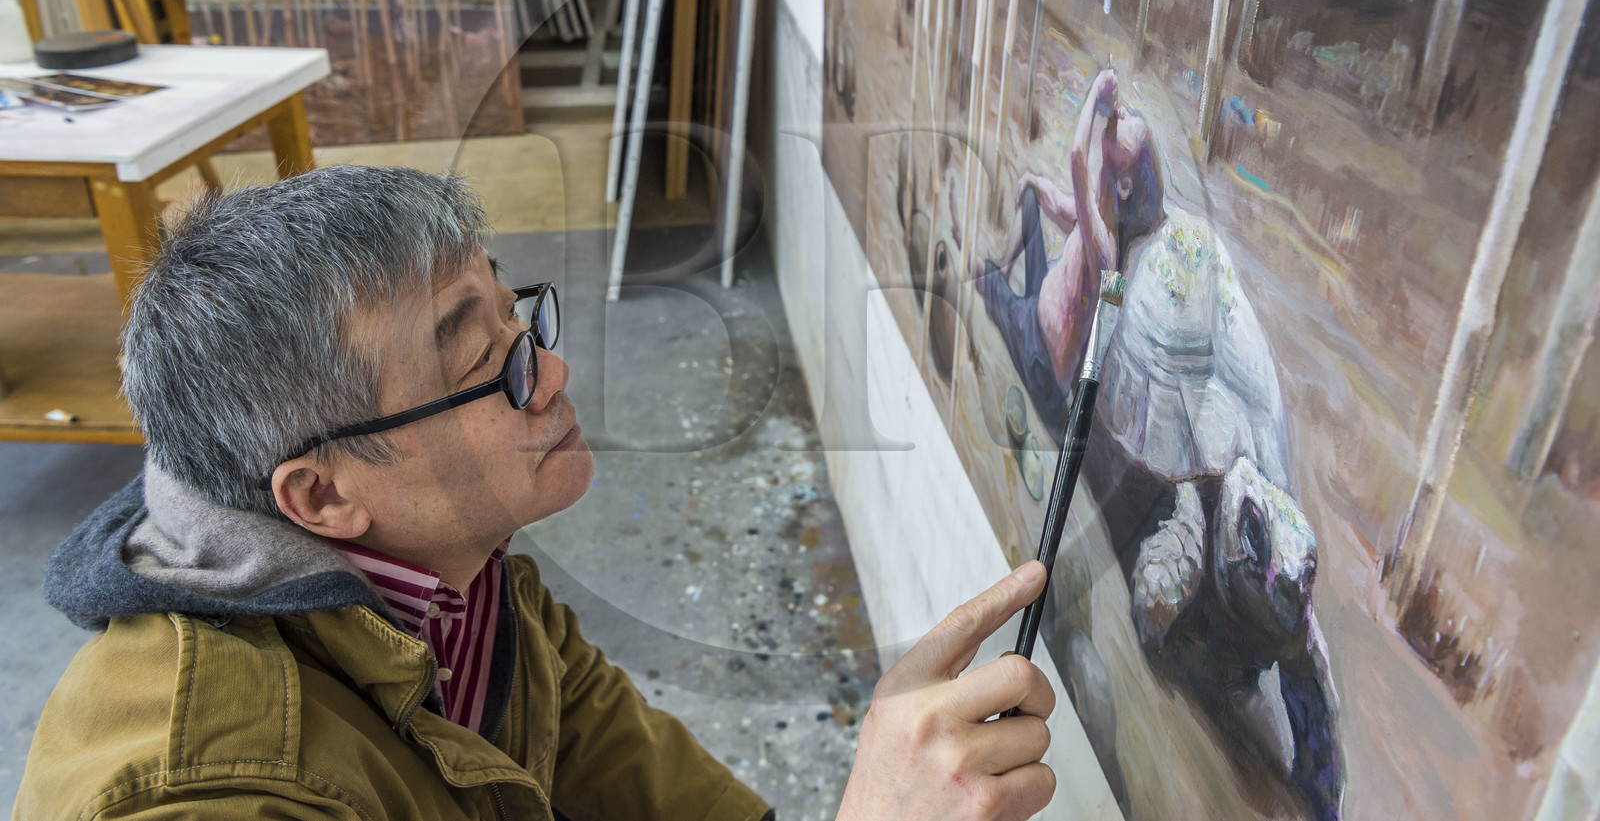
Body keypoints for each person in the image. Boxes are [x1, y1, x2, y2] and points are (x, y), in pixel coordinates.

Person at [14, 164, 1057, 821]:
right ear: (322, 497)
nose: (551, 377)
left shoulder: (452, 581)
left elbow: (641, 782)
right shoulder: (217, 791)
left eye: (518, 321)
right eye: (486, 367)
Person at [972, 67, 1164, 436]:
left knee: (980, 274)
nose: (1121, 114)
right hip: (1038, 312)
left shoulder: (1105, 245)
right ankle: (1003, 267)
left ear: (1125, 185)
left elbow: (1077, 158)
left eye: (1129, 124)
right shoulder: (1097, 210)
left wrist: (1095, 92)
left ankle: (993, 282)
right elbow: (1059, 204)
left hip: (1039, 358)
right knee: (1031, 197)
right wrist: (1035, 183)